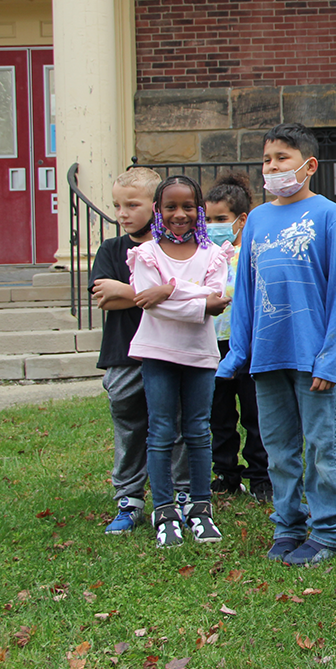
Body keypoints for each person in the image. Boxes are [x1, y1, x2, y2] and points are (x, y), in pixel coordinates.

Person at [216, 122, 336, 567]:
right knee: (278, 450)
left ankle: (329, 532)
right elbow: (246, 292)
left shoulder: (329, 215)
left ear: (309, 166)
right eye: (266, 159)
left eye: (282, 158)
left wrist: (330, 358)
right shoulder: (255, 219)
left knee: (320, 448)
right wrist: (239, 352)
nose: (272, 167)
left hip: (312, 358)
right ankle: (288, 526)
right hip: (267, 357)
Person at [127, 175, 233, 547]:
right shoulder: (145, 254)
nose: (179, 214)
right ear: (158, 211)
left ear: (199, 211)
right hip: (158, 353)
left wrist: (167, 289)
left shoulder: (212, 255)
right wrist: (188, 298)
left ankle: (200, 508)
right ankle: (166, 512)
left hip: (200, 355)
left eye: (188, 206)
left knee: (198, 431)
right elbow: (149, 305)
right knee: (160, 432)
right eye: (170, 206)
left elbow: (216, 301)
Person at [91, 167, 189, 534]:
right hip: (123, 355)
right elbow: (104, 296)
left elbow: (190, 294)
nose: (122, 212)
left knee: (175, 425)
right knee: (130, 426)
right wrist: (162, 295)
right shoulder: (112, 249)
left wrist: (130, 292)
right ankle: (129, 498)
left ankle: (182, 495)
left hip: (169, 350)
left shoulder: (176, 249)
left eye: (132, 204)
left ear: (156, 205)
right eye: (117, 205)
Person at [205, 172, 271, 503]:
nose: (212, 225)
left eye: (221, 219)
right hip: (211, 346)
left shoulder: (252, 252)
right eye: (208, 218)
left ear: (241, 219)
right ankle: (226, 473)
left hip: (248, 344)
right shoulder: (203, 256)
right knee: (220, 415)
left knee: (255, 414)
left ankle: (261, 475)